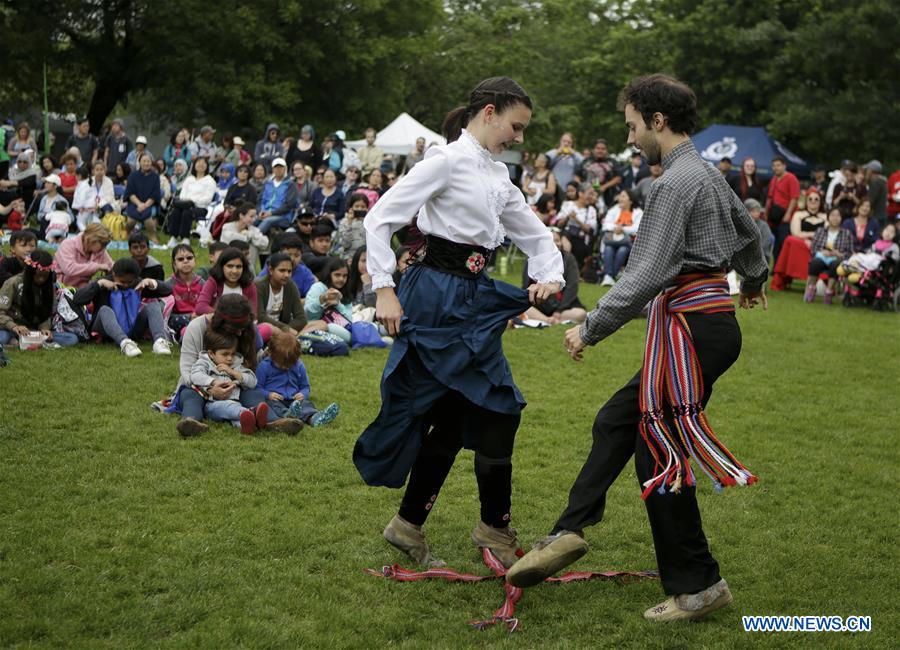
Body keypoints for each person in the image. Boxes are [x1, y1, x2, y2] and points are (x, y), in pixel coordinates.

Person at [506, 74, 768, 624]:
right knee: (620, 424)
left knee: (657, 452)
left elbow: (649, 270)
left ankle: (698, 587)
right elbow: (748, 230)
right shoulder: (708, 175)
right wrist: (755, 276)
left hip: (692, 329)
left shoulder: (673, 183)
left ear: (657, 121)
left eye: (632, 126)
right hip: (702, 327)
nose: (630, 138)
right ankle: (568, 530)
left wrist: (591, 326)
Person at [353, 76, 564, 569]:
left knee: (455, 413)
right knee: (494, 406)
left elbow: (535, 236)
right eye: (516, 126)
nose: (519, 138)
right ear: (488, 113)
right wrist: (384, 287)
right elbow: (379, 219)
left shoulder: (497, 176)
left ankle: (412, 524)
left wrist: (549, 276)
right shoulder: (445, 161)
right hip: (434, 297)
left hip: (473, 299)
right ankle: (492, 527)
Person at [175, 294, 304, 437]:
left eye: (243, 328)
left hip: (234, 389)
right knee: (190, 395)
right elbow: (187, 371)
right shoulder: (197, 327)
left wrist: (271, 352)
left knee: (253, 392)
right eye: (236, 328)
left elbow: (253, 365)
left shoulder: (246, 330)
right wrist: (209, 388)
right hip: (198, 387)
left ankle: (273, 422)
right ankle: (191, 422)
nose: (240, 332)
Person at [72, 257, 173, 357]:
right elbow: (77, 299)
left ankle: (160, 341)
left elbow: (168, 290)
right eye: (122, 282)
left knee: (153, 305)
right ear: (114, 274)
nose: (125, 285)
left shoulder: (137, 284)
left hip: (132, 329)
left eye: (129, 282)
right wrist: (99, 284)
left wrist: (151, 283)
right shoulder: (103, 283)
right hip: (104, 330)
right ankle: (125, 343)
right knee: (104, 310)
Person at [190, 330, 268, 435]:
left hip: (236, 403)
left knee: (238, 418)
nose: (230, 358)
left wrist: (234, 373)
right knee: (231, 409)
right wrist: (213, 382)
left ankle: (250, 425)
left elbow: (252, 381)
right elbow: (195, 375)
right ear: (211, 354)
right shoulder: (204, 363)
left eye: (232, 354)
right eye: (225, 354)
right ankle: (251, 413)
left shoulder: (235, 365)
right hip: (213, 405)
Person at [257, 328, 340, 427]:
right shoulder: (264, 366)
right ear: (271, 354)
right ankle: (288, 417)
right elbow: (258, 387)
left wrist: (302, 394)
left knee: (306, 405)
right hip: (276, 399)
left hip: (294, 400)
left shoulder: (299, 365)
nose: (285, 367)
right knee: (272, 406)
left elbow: (305, 386)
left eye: (289, 364)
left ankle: (314, 418)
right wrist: (268, 394)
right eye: (281, 364)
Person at [0, 250, 79, 348]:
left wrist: (45, 329)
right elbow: (1, 312)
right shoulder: (13, 283)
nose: (41, 279)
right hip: (11, 329)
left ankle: (20, 343)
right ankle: (16, 341)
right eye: (37, 276)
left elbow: (46, 313)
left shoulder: (49, 287)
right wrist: (14, 327)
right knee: (2, 337)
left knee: (72, 339)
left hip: (32, 330)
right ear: (30, 272)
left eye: (44, 276)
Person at [521, 228, 587, 325]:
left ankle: (551, 318)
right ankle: (548, 320)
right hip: (538, 304)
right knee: (521, 309)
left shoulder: (569, 258)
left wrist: (559, 310)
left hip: (562, 305)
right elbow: (526, 285)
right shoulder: (532, 258)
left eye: (557, 240)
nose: (556, 244)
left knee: (581, 314)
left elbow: (572, 287)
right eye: (551, 241)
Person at [770, 189, 826, 291]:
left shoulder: (825, 216)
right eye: (810, 199)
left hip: (820, 244)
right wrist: (811, 236)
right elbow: (796, 233)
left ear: (820, 202)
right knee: (791, 240)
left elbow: (827, 235)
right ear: (806, 201)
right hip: (801, 243)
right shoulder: (798, 214)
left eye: (816, 199)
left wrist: (813, 239)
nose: (813, 201)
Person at [255, 252, 315, 336]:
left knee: (321, 324)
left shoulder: (290, 285)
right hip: (263, 330)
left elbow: (301, 318)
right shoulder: (259, 286)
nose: (286, 275)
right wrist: (286, 329)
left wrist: (286, 330)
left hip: (285, 330)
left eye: (289, 271)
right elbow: (260, 317)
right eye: (282, 270)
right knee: (267, 328)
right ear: (271, 270)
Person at [805, 208, 852, 304]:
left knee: (836, 264)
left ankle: (829, 291)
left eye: (838, 215)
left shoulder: (846, 233)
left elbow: (850, 252)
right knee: (815, 262)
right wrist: (822, 252)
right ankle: (811, 289)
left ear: (841, 218)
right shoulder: (820, 231)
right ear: (828, 217)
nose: (835, 218)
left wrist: (839, 254)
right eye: (832, 215)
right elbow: (813, 249)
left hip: (836, 258)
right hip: (822, 256)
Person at [195, 247, 258, 318]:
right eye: (230, 266)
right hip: (216, 324)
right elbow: (200, 307)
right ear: (222, 267)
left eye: (238, 267)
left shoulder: (249, 286)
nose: (234, 271)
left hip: (241, 325)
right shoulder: (213, 282)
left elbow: (253, 314)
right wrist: (227, 317)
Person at [599, 188, 643, 286]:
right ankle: (609, 276)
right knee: (608, 248)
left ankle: (609, 276)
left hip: (629, 242)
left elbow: (637, 228)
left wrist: (623, 229)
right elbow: (606, 224)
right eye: (620, 196)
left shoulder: (638, 212)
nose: (620, 198)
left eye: (623, 196)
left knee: (622, 250)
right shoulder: (614, 209)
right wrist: (616, 228)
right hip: (612, 240)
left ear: (631, 200)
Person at [167, 157, 216, 246]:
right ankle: (173, 238)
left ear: (207, 166)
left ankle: (185, 238)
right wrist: (187, 202)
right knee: (176, 211)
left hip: (200, 208)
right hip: (185, 204)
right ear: (194, 165)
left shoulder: (210, 181)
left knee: (187, 212)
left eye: (203, 163)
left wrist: (192, 201)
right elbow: (182, 195)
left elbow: (208, 199)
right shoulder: (189, 179)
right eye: (198, 162)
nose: (201, 165)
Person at [303, 257, 354, 342]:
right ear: (329, 274)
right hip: (315, 326)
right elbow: (308, 314)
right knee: (330, 326)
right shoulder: (318, 287)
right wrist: (322, 300)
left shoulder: (346, 292)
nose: (341, 279)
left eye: (345, 276)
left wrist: (338, 304)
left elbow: (350, 320)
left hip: (340, 328)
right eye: (337, 275)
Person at [53, 223, 113, 288]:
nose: (104, 248)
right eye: (103, 244)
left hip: (83, 288)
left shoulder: (99, 251)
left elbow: (111, 266)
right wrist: (97, 267)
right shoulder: (68, 245)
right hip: (61, 288)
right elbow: (69, 269)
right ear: (92, 239)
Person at [764, 155, 801, 261]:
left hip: (785, 216)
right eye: (774, 165)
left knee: (783, 241)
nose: (776, 168)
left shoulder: (791, 178)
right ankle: (776, 267)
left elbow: (794, 198)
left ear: (784, 166)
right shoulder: (774, 179)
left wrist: (788, 214)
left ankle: (783, 267)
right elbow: (769, 198)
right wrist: (766, 213)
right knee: (775, 243)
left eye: (778, 165)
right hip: (774, 216)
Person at [257, 233, 317, 298]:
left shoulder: (305, 272)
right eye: (288, 255)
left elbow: (312, 297)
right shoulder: (270, 269)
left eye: (297, 255)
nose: (292, 259)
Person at [556, 182, 598, 271]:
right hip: (567, 234)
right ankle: (564, 267)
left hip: (581, 239)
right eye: (589, 193)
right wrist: (567, 217)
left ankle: (564, 268)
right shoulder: (567, 205)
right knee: (565, 236)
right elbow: (559, 224)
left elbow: (589, 230)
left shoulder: (592, 210)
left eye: (592, 194)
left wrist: (576, 220)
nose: (591, 196)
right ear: (580, 193)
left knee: (568, 239)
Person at [123, 153, 162, 245]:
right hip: (135, 203)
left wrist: (145, 205)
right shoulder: (133, 176)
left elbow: (155, 194)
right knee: (130, 221)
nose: (146, 163)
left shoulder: (155, 177)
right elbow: (130, 193)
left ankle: (152, 236)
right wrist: (139, 204)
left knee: (148, 220)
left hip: (149, 203)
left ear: (151, 163)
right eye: (144, 161)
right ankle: (128, 234)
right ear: (139, 162)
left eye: (148, 161)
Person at [168, 243, 203, 338]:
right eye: (180, 259)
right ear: (174, 264)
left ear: (195, 260)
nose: (185, 261)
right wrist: (189, 317)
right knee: (186, 328)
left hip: (200, 318)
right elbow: (167, 314)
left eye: (189, 258)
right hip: (178, 321)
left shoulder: (202, 283)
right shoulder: (169, 285)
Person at [221, 202, 268, 271]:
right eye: (251, 216)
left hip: (247, 265)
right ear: (241, 216)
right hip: (228, 262)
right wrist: (246, 237)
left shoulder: (253, 229)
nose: (254, 219)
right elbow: (230, 240)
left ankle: (247, 269)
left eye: (255, 217)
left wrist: (250, 235)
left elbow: (265, 243)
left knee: (254, 245)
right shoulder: (227, 227)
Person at [256, 158, 298, 234]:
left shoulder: (290, 184)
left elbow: (289, 205)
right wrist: (260, 211)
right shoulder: (267, 184)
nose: (278, 169)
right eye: (276, 167)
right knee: (251, 219)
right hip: (264, 213)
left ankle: (254, 237)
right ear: (273, 169)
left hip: (283, 216)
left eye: (281, 167)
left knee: (268, 221)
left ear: (285, 168)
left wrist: (271, 213)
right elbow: (260, 200)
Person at [72, 161, 116, 231]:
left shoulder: (109, 181)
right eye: (97, 169)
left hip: (104, 204)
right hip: (90, 206)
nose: (99, 172)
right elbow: (84, 195)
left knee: (106, 209)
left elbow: (109, 197)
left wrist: (98, 205)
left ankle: (105, 230)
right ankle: (85, 231)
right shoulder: (88, 181)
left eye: (101, 169)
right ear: (93, 171)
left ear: (105, 171)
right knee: (82, 215)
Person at [579, 138, 623, 206]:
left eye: (603, 149)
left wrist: (604, 187)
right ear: (593, 150)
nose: (600, 151)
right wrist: (584, 187)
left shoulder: (613, 162)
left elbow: (618, 178)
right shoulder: (586, 162)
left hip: (608, 198)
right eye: (598, 148)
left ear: (607, 150)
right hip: (587, 198)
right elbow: (576, 175)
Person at [336, 193, 369, 260]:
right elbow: (345, 244)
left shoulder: (369, 222)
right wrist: (349, 223)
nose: (360, 209)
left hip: (365, 257)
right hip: (348, 257)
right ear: (351, 208)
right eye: (356, 206)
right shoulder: (345, 222)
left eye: (363, 207)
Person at [743, 198, 774, 263]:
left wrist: (753, 253)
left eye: (758, 211)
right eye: (753, 211)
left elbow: (765, 244)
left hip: (761, 256)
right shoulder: (742, 224)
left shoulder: (764, 226)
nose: (756, 213)